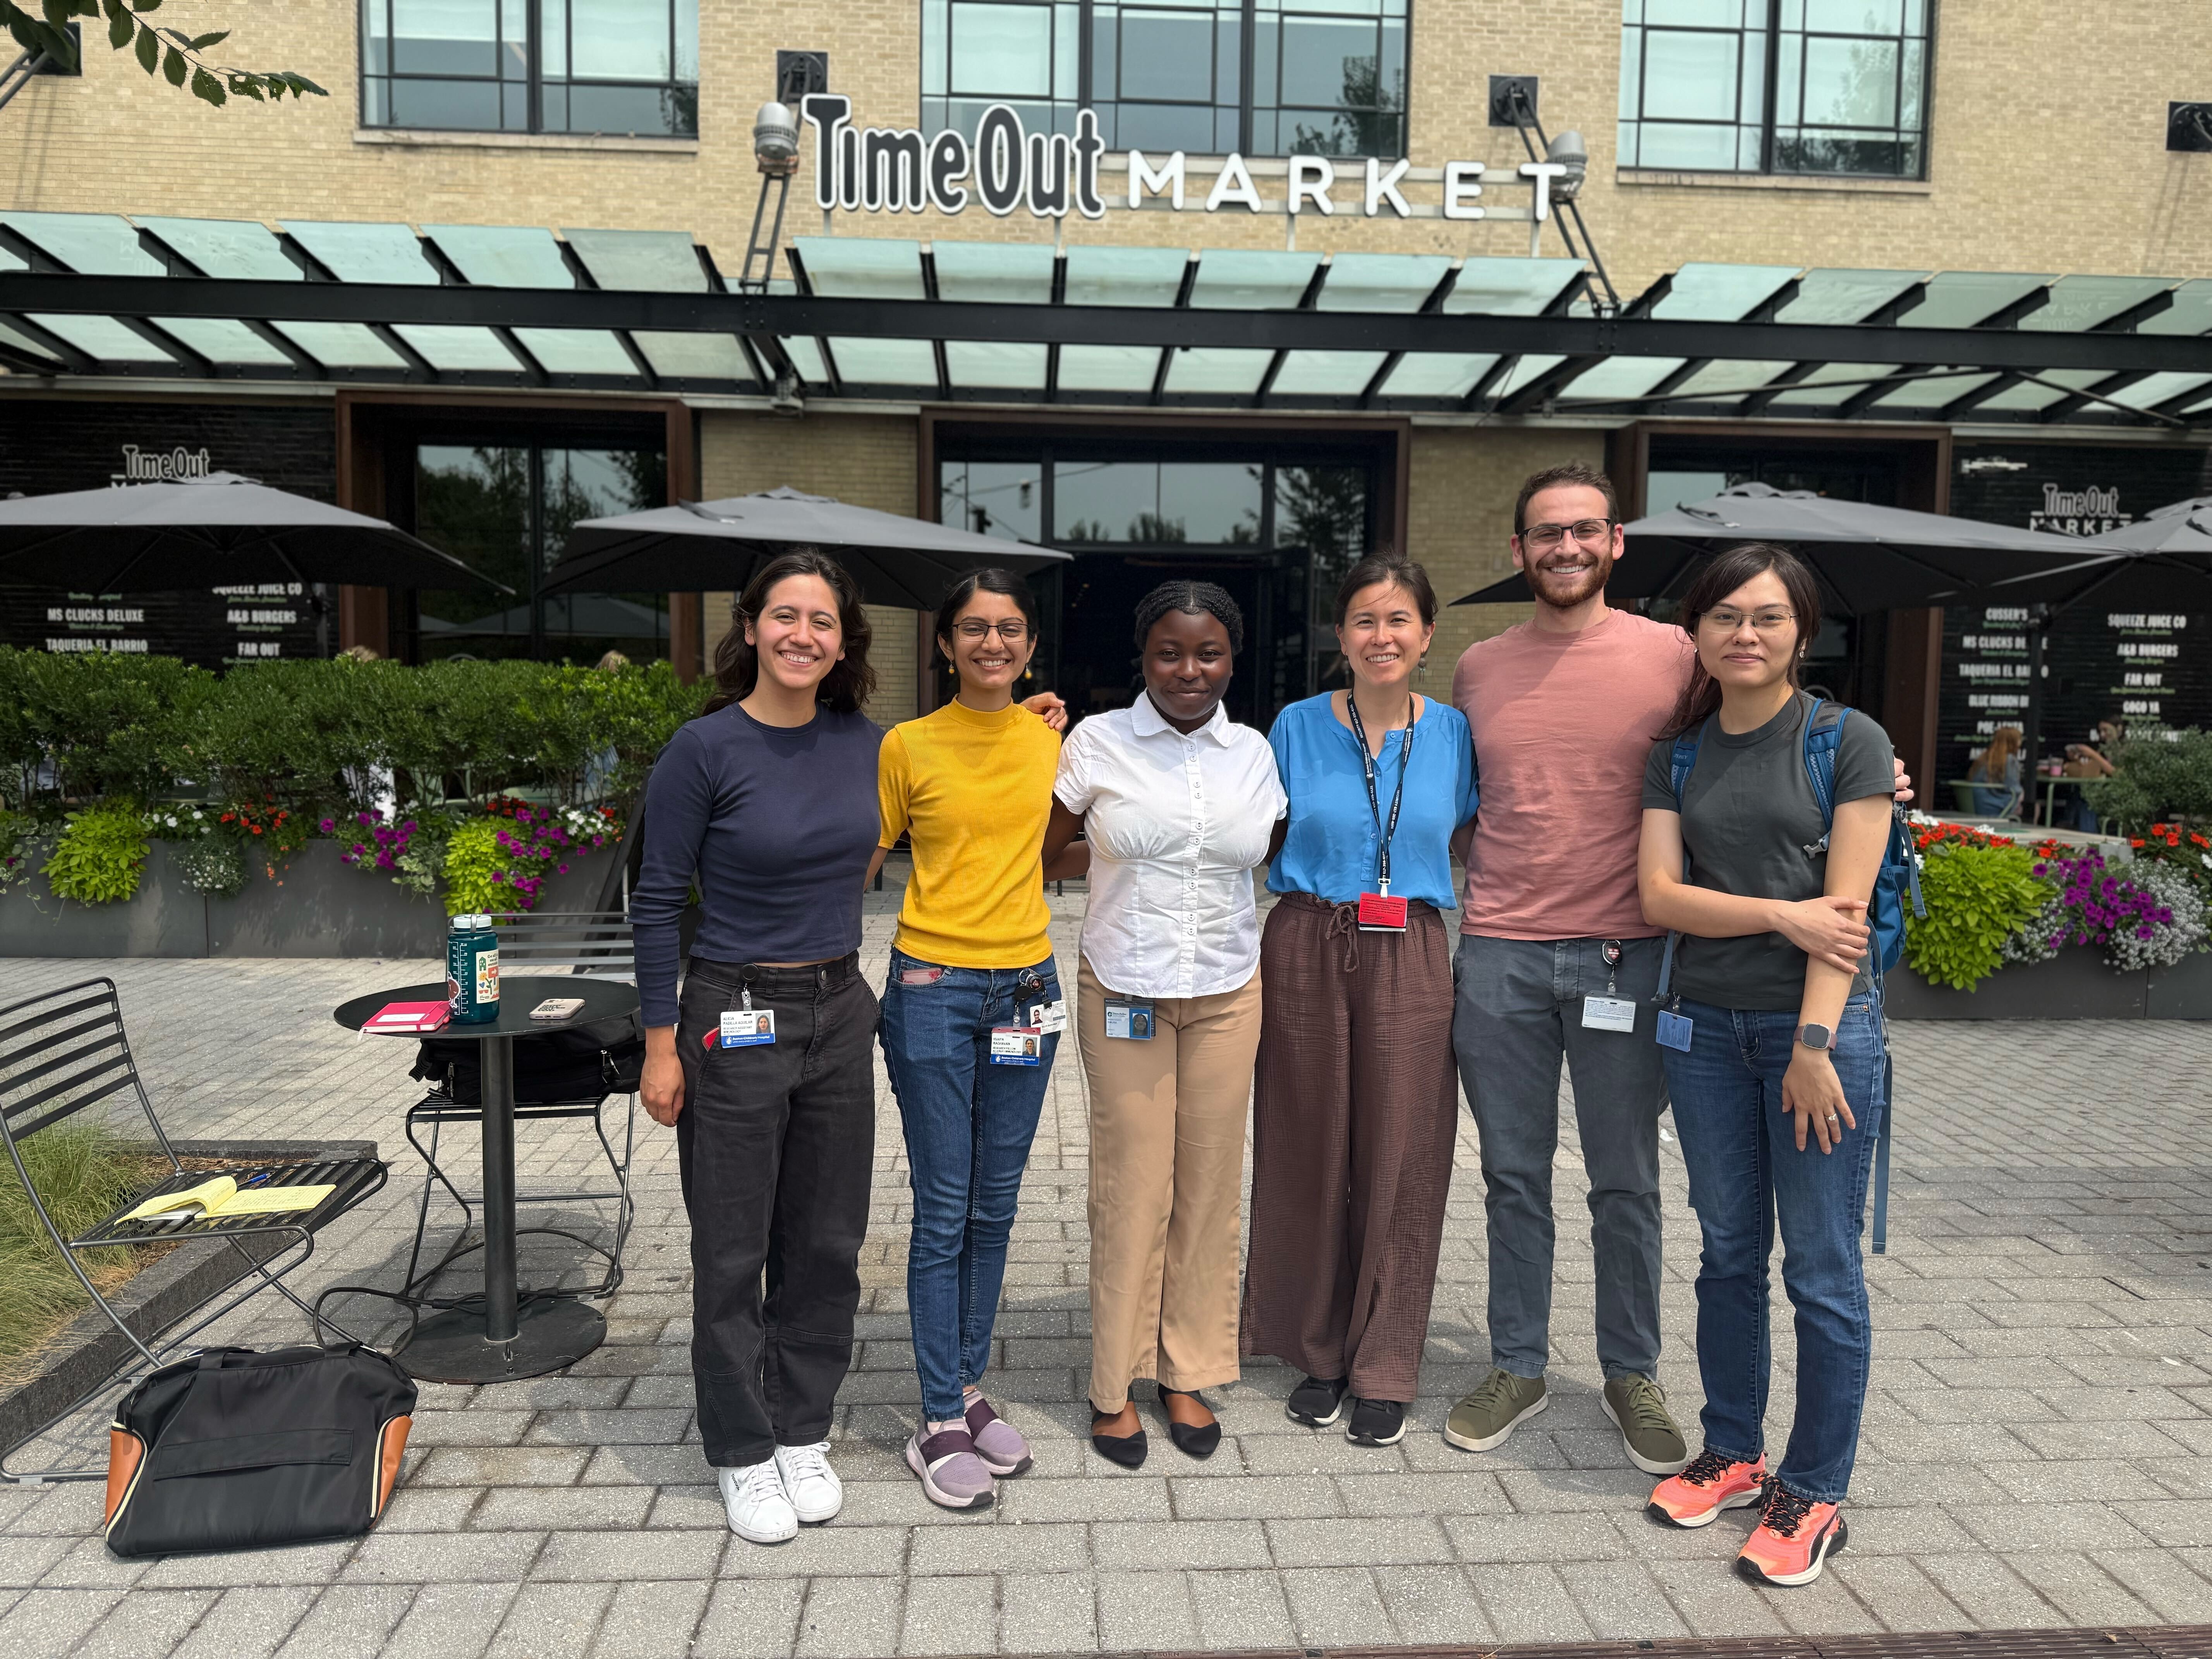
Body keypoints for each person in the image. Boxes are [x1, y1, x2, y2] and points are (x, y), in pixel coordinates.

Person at [1444, 462, 1911, 1478]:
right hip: (1500, 952)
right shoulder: (1477, 667)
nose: (1564, 547)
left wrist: (1876, 778)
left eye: (1584, 530)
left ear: (1616, 543)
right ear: (1518, 551)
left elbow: (1771, 727)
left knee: (1626, 1178)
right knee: (1512, 1174)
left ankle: (1630, 1370)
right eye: (1544, 533)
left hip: (1633, 954)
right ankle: (1519, 1361)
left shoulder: (1681, 652)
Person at [1635, 541, 1896, 1589]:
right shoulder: (1680, 752)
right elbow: (1660, 895)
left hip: (1815, 1041)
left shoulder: (1847, 741)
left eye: (1770, 617)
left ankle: (1817, 1486)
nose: (1747, 633)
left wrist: (1814, 1043)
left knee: (1822, 1270)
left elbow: (1845, 920)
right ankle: (1734, 1446)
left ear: (1805, 630)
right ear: (1697, 630)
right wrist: (1775, 912)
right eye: (1727, 616)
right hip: (1703, 1028)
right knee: (1728, 1250)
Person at [631, 549, 884, 1546]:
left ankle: (800, 1426)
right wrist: (660, 1046)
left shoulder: (869, 743)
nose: (802, 636)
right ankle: (741, 1449)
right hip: (732, 1012)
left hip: (838, 1006)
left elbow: (949, 799)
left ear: (841, 643)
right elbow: (657, 902)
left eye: (822, 622)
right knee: (734, 1247)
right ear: (750, 629)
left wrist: (1024, 727)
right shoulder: (703, 750)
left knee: (825, 1241)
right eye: (785, 616)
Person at [1041, 580, 1286, 1468]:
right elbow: (1046, 850)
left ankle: (1186, 1368)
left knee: (1211, 1184)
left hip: (1228, 990)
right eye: (1170, 653)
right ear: (1143, 659)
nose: (1190, 670)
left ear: (1232, 658)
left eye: (1209, 653)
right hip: (1126, 989)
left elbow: (1272, 852)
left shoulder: (1254, 754)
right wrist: (1116, 856)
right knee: (1135, 1184)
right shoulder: (1097, 742)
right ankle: (1115, 1385)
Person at [1240, 553, 1477, 1449]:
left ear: (1425, 635)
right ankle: (1319, 1351)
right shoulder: (1294, 727)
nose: (1383, 637)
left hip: (1411, 948)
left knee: (1403, 1157)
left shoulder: (1456, 732)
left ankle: (1386, 1360)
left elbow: (1499, 827)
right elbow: (1242, 827)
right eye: (1365, 621)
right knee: (1307, 1145)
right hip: (1305, 939)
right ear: (1341, 637)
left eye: (1399, 620)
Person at [868, 568, 1080, 1512]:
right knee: (945, 1207)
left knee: (996, 1206)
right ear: (945, 645)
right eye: (974, 630)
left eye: (1010, 630)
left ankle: (967, 1385)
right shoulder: (905, 746)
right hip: (932, 991)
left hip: (1028, 988)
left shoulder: (1049, 742)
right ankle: (936, 1418)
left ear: (1029, 646)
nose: (993, 643)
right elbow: (860, 863)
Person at [1968, 726, 2022, 818]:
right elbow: (2013, 789)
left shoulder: (1983, 758)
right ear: (2013, 742)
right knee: (2034, 807)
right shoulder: (2010, 760)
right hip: (1998, 809)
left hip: (1977, 806)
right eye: (2019, 740)